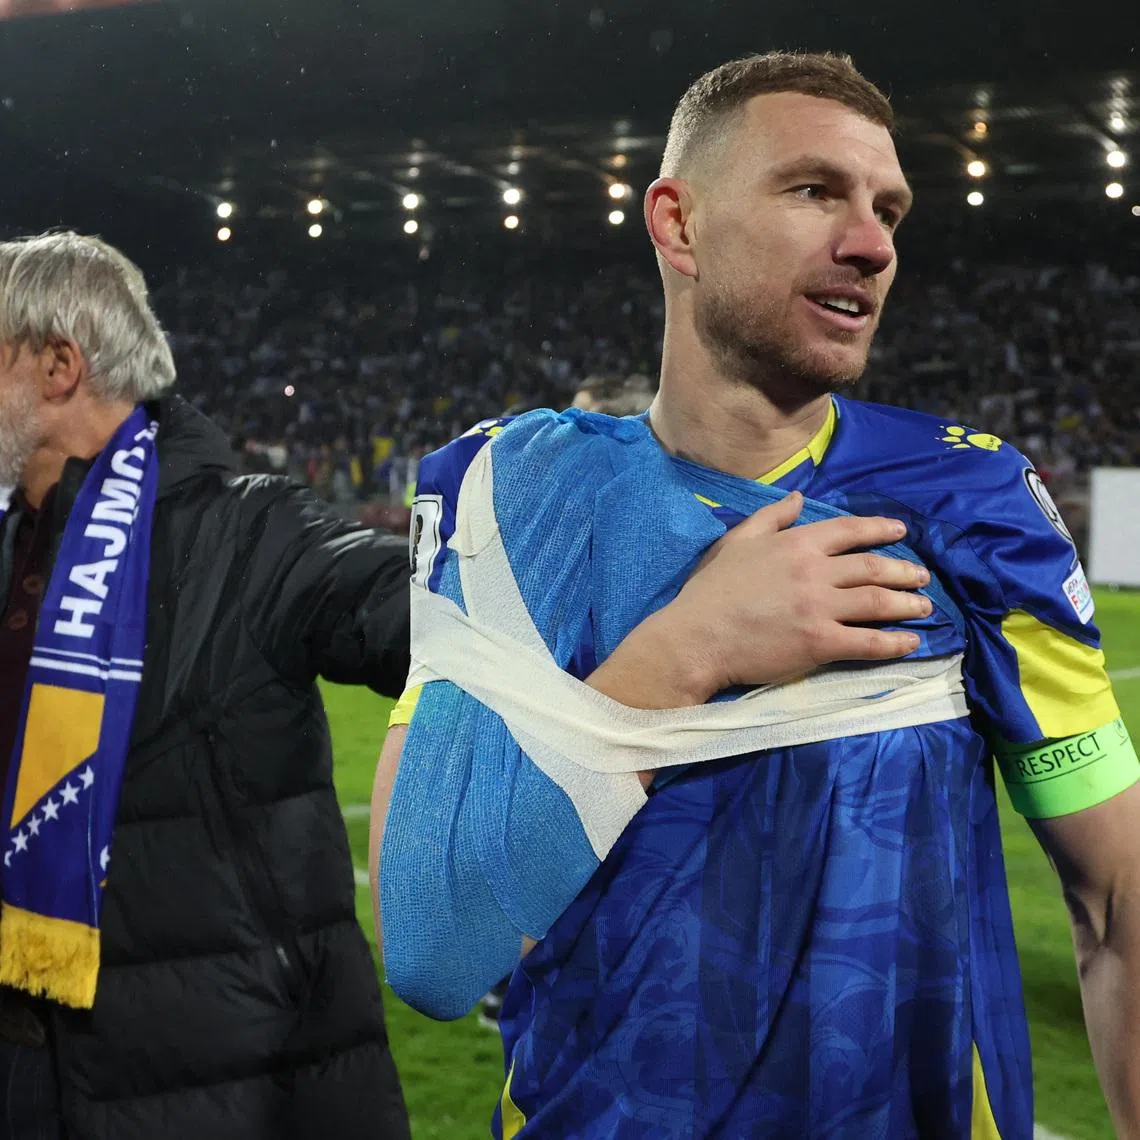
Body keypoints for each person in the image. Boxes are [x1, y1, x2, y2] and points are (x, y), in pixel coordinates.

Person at [373, 52, 1140, 1138]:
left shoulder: (971, 504)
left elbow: (1120, 910)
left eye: (889, 210)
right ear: (678, 226)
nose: (872, 242)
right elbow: (438, 942)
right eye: (815, 190)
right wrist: (687, 653)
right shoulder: (510, 498)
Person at [0, 232, 413, 1140]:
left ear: (58, 364)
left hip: (217, 1078)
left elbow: (408, 603)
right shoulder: (14, 549)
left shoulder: (246, 532)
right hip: (32, 1075)